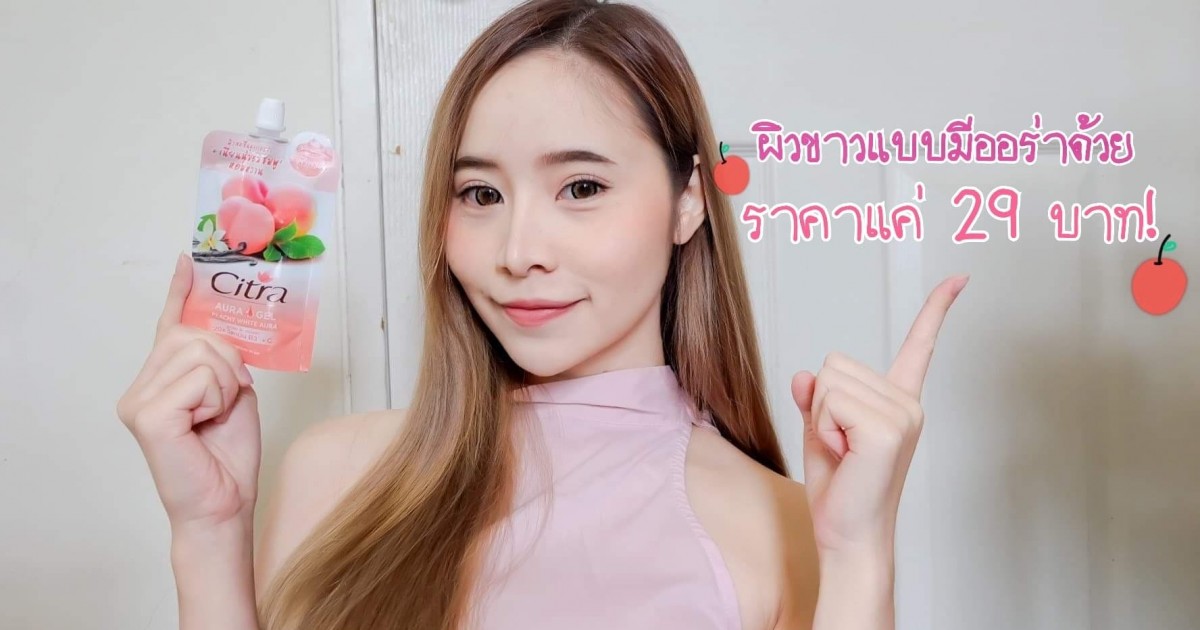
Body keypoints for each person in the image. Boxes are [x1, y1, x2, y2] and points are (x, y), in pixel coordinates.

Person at [116, 0, 967, 628]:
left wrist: (858, 556)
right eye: (480, 194)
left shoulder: (783, 526)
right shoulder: (333, 474)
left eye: (581, 187)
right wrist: (208, 530)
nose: (518, 250)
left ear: (688, 203)